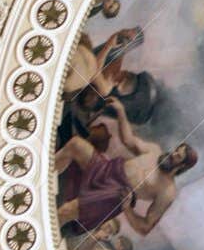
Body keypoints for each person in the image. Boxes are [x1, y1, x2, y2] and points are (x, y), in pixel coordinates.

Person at [56, 100, 196, 234]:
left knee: (65, 211)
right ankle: (40, 176)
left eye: (178, 156)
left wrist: (128, 208)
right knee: (76, 145)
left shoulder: (167, 191)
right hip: (106, 170)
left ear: (181, 166)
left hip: (111, 195)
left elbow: (145, 227)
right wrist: (121, 110)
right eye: (177, 150)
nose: (173, 153)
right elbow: (128, 140)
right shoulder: (154, 150)